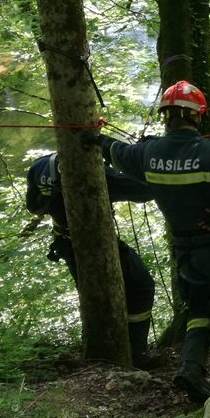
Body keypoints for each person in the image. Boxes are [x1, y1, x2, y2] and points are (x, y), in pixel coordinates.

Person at [83, 80, 210, 403]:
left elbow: (119, 154)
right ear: (199, 116)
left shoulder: (148, 153)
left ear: (166, 116)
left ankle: (191, 368)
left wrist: (96, 138)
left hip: (185, 253)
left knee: (199, 308)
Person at [25, 152, 158, 369]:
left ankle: (103, 353)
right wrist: (133, 158)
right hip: (100, 244)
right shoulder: (96, 173)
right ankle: (136, 354)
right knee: (142, 286)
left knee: (93, 296)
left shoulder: (40, 166)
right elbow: (146, 190)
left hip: (66, 244)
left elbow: (33, 206)